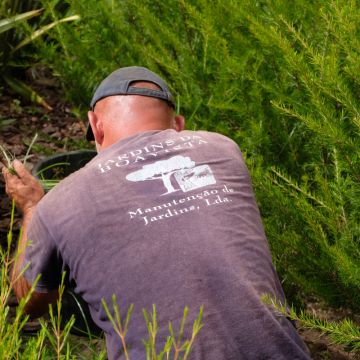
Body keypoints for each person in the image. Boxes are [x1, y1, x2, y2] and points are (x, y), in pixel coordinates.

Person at [3, 66, 311, 359]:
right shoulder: (224, 150)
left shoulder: (60, 201)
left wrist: (32, 208)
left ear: (96, 126)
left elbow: (31, 302)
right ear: (178, 124)